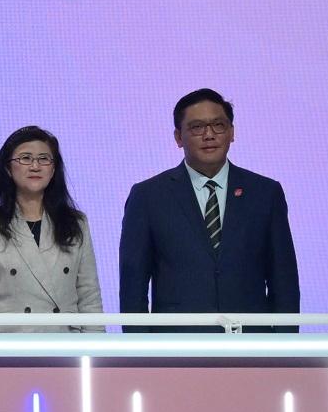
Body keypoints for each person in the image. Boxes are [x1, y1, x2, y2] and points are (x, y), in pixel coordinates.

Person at [116, 89, 300, 320]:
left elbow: (284, 280)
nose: (209, 135)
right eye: (197, 127)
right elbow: (133, 285)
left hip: (251, 342)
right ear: (178, 137)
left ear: (231, 132)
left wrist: (285, 347)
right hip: (176, 345)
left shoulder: (265, 193)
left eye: (218, 125)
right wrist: (140, 351)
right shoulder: (148, 196)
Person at [0, 125, 103, 318]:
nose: (35, 166)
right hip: (11, 342)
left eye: (44, 159)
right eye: (25, 158)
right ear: (8, 168)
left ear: (53, 169)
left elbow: (90, 298)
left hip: (66, 342)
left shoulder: (76, 223)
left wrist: (94, 347)